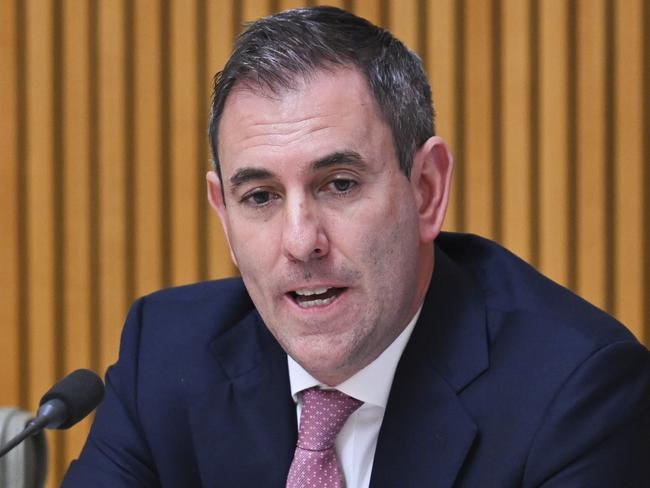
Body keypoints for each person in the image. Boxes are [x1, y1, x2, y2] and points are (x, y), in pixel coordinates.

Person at [62, 6, 649, 487]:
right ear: (223, 214)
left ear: (426, 190)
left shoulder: (577, 394)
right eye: (260, 196)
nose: (300, 242)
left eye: (338, 184)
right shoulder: (165, 355)